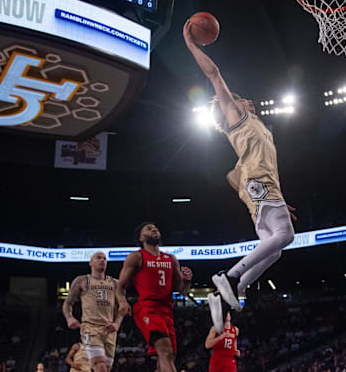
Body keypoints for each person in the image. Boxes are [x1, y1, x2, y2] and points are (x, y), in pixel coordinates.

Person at [183, 19, 297, 332]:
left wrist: (277, 203)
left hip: (260, 187)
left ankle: (227, 294)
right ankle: (230, 278)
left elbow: (249, 170)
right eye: (236, 98)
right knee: (286, 237)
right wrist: (192, 44)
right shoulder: (238, 116)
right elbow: (213, 74)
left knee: (274, 249)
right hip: (258, 183)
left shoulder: (255, 126)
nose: (244, 99)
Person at [117, 222, 193, 372]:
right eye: (149, 229)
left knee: (168, 357)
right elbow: (120, 286)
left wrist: (188, 281)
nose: (154, 229)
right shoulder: (136, 257)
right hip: (147, 308)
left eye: (156, 228)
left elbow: (182, 291)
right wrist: (122, 301)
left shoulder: (171, 259)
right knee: (165, 351)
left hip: (167, 310)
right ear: (141, 237)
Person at [63, 252, 122, 372]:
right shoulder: (82, 280)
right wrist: (69, 318)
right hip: (90, 327)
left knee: (106, 368)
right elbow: (67, 303)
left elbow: (121, 307)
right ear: (91, 263)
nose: (102, 261)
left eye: (105, 259)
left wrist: (117, 323)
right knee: (99, 366)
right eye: (99, 258)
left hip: (109, 329)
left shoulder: (115, 283)